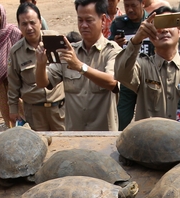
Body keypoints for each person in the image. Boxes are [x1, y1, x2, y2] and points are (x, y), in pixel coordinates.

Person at [35, 0, 121, 131]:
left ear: (103, 20)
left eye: (89, 20)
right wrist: (40, 64)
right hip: (74, 135)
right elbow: (43, 83)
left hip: (104, 135)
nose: (83, 25)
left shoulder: (112, 51)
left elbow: (112, 82)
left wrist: (80, 67)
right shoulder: (68, 52)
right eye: (80, 20)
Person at [115, 8, 180, 123]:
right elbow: (121, 74)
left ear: (179, 32)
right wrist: (136, 39)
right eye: (159, 25)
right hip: (149, 134)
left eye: (169, 24)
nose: (164, 30)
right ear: (149, 34)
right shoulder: (142, 66)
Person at [8, 3, 66, 131]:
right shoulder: (16, 52)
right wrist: (13, 109)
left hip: (60, 109)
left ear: (40, 22)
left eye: (32, 23)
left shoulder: (55, 39)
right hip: (35, 112)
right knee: (39, 142)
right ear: (19, 26)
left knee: (64, 141)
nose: (29, 28)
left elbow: (69, 69)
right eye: (24, 24)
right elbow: (13, 83)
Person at [110, 0, 147, 130]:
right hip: (127, 76)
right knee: (121, 118)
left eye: (133, 5)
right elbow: (110, 48)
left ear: (143, 3)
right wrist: (116, 44)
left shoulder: (152, 21)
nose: (130, 9)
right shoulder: (118, 23)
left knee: (148, 120)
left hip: (148, 76)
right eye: (127, 6)